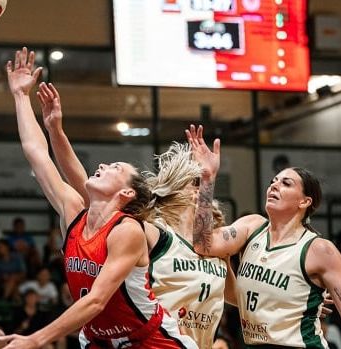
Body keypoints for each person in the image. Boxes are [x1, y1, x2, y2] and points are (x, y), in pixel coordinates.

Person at [0, 47, 198, 349]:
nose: (103, 165)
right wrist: (20, 97)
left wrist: (35, 340)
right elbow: (38, 156)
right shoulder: (73, 214)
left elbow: (96, 302)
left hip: (150, 341)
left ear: (127, 193)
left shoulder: (127, 230)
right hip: (98, 341)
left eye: (115, 166)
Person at [35, 80, 236, 348]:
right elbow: (84, 188)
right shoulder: (155, 231)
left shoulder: (215, 251)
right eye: (195, 184)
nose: (200, 192)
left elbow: (237, 296)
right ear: (179, 191)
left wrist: (209, 179)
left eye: (201, 186)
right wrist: (56, 132)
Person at [188, 124, 341, 348]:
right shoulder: (252, 227)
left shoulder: (319, 249)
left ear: (304, 201)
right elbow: (203, 244)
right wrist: (207, 179)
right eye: (273, 182)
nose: (274, 186)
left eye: (286, 183)